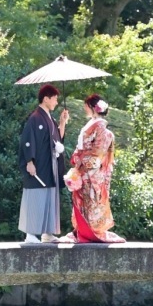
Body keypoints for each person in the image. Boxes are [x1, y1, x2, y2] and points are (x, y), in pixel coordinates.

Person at [62, 93, 125, 243]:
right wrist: (78, 156)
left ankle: (92, 231)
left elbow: (98, 152)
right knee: (82, 200)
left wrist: (81, 161)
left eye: (86, 107)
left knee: (92, 199)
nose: (85, 109)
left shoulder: (100, 125)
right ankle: (82, 230)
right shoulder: (93, 123)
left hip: (92, 171)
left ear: (92, 107)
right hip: (85, 168)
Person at [18, 83, 69, 243]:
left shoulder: (49, 118)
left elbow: (56, 139)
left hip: (50, 164)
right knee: (36, 196)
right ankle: (31, 234)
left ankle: (48, 232)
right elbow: (27, 140)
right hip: (39, 165)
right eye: (54, 99)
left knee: (50, 195)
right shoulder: (35, 118)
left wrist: (62, 122)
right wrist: (29, 161)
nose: (56, 102)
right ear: (46, 99)